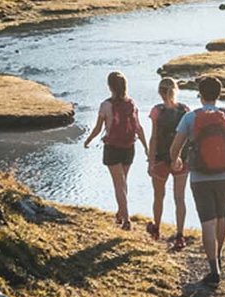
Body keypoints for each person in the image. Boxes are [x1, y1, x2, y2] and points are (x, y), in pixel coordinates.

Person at [168, 76, 225, 286]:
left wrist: (175, 161)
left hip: (200, 178)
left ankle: (214, 270)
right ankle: (218, 256)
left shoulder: (190, 118)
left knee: (207, 222)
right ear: (218, 94)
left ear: (200, 95)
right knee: (222, 217)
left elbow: (175, 147)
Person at [81, 71, 147, 229]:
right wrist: (146, 147)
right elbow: (138, 128)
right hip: (129, 147)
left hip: (112, 148)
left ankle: (126, 219)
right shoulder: (131, 104)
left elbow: (98, 128)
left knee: (118, 184)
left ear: (110, 86)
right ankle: (120, 212)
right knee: (123, 182)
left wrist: (88, 140)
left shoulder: (106, 105)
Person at [146, 77, 191, 250]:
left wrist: (150, 162)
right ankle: (180, 235)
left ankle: (156, 229)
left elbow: (154, 138)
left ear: (160, 92)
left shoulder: (157, 111)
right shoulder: (185, 110)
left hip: (161, 159)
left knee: (159, 196)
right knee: (180, 198)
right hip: (181, 159)